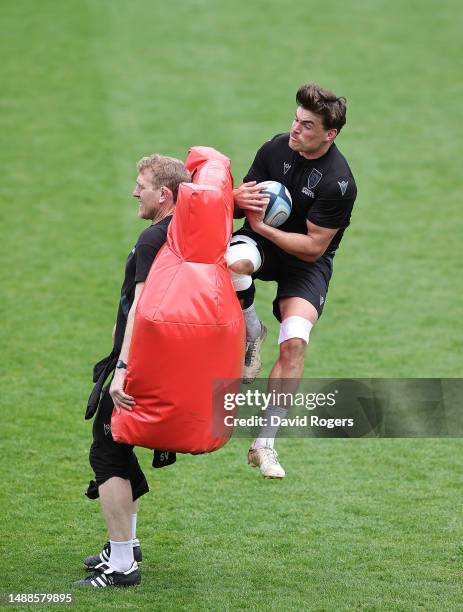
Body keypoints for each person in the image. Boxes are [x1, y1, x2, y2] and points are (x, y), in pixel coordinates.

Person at [226, 83, 357, 479]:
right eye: (295, 120)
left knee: (297, 339)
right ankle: (252, 333)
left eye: (307, 125)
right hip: (262, 239)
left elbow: (313, 248)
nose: (295, 130)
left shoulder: (338, 182)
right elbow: (234, 208)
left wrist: (262, 226)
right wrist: (237, 200)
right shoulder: (274, 149)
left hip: (303, 261)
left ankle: (264, 443)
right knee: (233, 260)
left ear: (329, 134)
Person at [74, 154, 191, 588]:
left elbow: (142, 310)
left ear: (165, 195)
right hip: (166, 365)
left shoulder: (152, 239)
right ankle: (126, 545)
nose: (133, 192)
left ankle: (122, 564)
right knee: (118, 448)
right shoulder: (186, 232)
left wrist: (122, 369)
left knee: (107, 452)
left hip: (139, 366)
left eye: (140, 185)